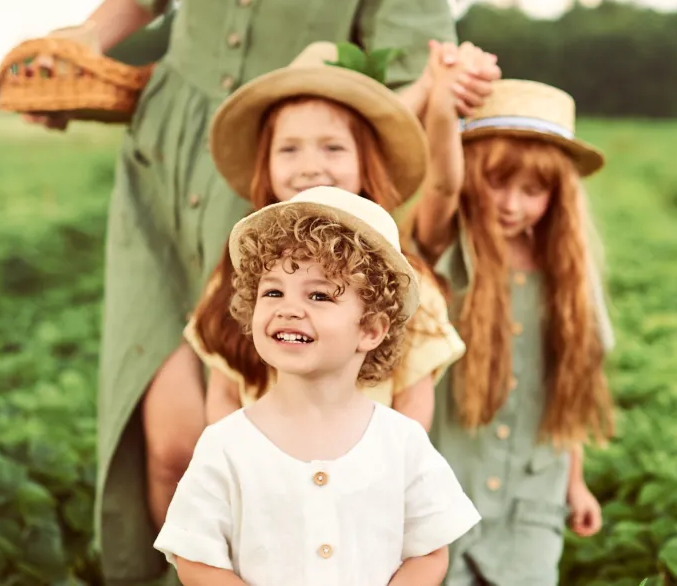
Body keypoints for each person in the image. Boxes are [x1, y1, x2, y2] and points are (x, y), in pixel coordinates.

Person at [15, 0, 501, 583]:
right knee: (169, 440)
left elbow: (410, 86)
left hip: (273, 207)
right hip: (165, 170)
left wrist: (447, 92)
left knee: (222, 438)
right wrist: (81, 45)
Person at [153, 185, 482, 586]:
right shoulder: (227, 445)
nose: (289, 308)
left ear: (371, 329)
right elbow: (196, 557)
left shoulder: (401, 442)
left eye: (320, 295)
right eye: (272, 291)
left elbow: (429, 551)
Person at [182, 41, 497, 430]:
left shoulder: (400, 280)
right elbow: (225, 396)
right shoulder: (242, 271)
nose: (311, 166)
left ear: (366, 164)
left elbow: (412, 408)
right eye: (289, 149)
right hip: (263, 482)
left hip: (362, 483)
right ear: (265, 164)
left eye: (333, 148)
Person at [408, 61, 617, 585]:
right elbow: (438, 185)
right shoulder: (450, 254)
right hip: (450, 491)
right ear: (470, 173)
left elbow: (564, 392)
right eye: (498, 182)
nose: (511, 204)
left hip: (533, 501)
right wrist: (441, 106)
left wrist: (575, 484)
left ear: (558, 197)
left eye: (533, 191)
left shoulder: (567, 280)